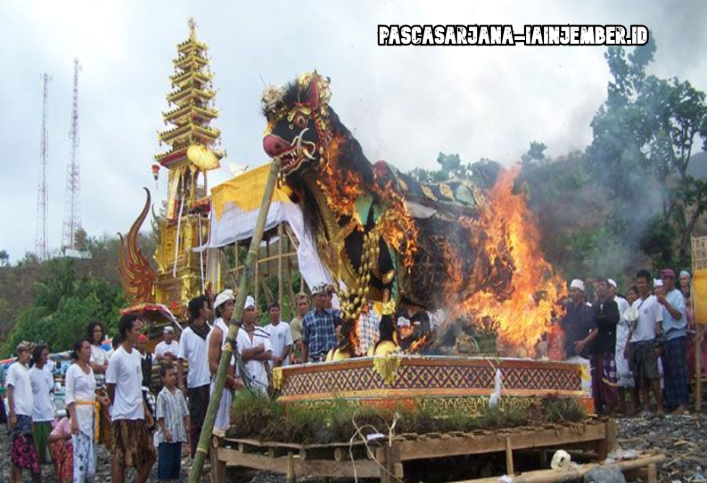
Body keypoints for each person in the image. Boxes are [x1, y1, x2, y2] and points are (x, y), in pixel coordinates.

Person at [106, 314, 156, 483]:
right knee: (120, 459)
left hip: (137, 414)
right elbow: (110, 386)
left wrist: (146, 411)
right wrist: (118, 404)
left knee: (149, 455)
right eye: (136, 330)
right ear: (127, 332)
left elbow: (137, 386)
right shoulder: (116, 357)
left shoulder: (136, 355)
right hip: (123, 415)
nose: (139, 333)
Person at [66, 339, 109, 483]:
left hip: (91, 416)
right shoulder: (73, 370)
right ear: (78, 352)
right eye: (86, 349)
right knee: (80, 458)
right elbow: (69, 396)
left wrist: (99, 399)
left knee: (91, 461)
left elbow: (90, 393)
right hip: (79, 416)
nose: (89, 351)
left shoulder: (90, 370)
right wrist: (73, 420)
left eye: (89, 349)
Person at [178, 295, 212, 458]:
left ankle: (210, 453)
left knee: (210, 419)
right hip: (195, 383)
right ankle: (196, 456)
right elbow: (180, 360)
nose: (208, 310)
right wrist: (181, 384)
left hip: (210, 382)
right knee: (196, 421)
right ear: (200, 310)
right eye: (206, 307)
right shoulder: (187, 333)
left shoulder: (211, 331)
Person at [626, 270, 664, 415]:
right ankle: (647, 407)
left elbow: (659, 325)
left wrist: (658, 344)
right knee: (640, 378)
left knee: (653, 376)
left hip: (649, 341)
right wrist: (628, 344)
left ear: (648, 284)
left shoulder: (655, 301)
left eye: (643, 282)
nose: (640, 285)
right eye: (638, 283)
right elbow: (631, 327)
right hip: (636, 342)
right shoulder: (634, 304)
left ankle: (659, 407)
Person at [7, 342, 42, 483]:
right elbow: (10, 390)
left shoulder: (26, 370)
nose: (28, 355)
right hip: (19, 414)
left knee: (27, 451)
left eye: (29, 352)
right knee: (19, 452)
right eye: (25, 352)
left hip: (27, 414)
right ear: (19, 354)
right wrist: (13, 413)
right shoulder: (14, 368)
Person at [208, 289, 243, 431]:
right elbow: (212, 365)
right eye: (229, 305)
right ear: (221, 309)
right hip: (221, 387)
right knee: (218, 428)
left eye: (233, 304)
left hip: (232, 386)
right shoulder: (217, 332)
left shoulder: (233, 330)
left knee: (230, 426)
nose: (233, 308)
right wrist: (232, 382)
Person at [658, 269, 688, 414]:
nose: (664, 281)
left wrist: (665, 302)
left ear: (672, 280)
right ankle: (672, 403)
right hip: (667, 337)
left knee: (678, 370)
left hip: (677, 335)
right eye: (663, 279)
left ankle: (682, 403)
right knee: (668, 371)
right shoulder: (665, 296)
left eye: (667, 279)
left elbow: (677, 315)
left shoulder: (677, 295)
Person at [590, 279, 620, 415]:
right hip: (596, 346)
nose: (600, 288)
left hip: (607, 345)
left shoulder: (612, 304)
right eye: (598, 285)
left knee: (608, 377)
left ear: (608, 289)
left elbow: (613, 320)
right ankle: (598, 405)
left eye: (603, 285)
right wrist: (600, 319)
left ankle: (611, 404)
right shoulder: (595, 306)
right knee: (596, 377)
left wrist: (600, 320)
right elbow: (591, 321)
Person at [155, 364, 189, 483]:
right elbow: (159, 417)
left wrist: (187, 426)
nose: (173, 377)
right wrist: (165, 431)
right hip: (167, 438)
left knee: (175, 465)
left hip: (178, 435)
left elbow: (185, 412)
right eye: (170, 375)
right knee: (166, 467)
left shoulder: (179, 394)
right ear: (163, 378)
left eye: (174, 375)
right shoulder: (162, 396)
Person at [238, 296, 273, 393]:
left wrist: (249, 355)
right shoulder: (238, 332)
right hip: (244, 384)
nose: (251, 313)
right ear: (243, 313)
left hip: (262, 381)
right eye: (248, 310)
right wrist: (258, 349)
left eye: (252, 310)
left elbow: (268, 355)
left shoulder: (261, 331)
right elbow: (241, 356)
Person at [29, 343, 55, 465]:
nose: (47, 357)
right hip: (36, 413)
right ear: (39, 356)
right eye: (45, 354)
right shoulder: (30, 374)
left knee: (52, 442)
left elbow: (51, 388)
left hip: (48, 411)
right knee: (39, 443)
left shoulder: (47, 372)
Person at [87, 321, 110, 447]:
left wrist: (101, 367)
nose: (98, 333)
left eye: (100, 331)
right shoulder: (89, 348)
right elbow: (92, 366)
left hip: (103, 386)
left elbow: (107, 365)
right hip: (93, 388)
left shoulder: (102, 351)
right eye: (95, 331)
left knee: (105, 418)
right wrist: (102, 367)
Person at [559, 279, 596, 359]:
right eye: (571, 291)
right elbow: (564, 330)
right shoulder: (568, 309)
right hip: (569, 351)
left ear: (581, 293)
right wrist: (562, 349)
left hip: (583, 352)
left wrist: (583, 343)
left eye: (575, 290)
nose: (572, 293)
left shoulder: (587, 310)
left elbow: (595, 330)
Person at [302, 284, 338, 362]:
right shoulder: (308, 317)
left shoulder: (332, 314)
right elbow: (305, 342)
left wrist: (337, 292)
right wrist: (303, 364)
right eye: (320, 296)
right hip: (314, 360)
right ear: (314, 298)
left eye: (325, 296)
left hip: (331, 358)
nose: (323, 298)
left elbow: (346, 316)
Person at [617, 286, 639, 414]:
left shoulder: (626, 304)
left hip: (628, 340)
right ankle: (623, 404)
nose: (630, 296)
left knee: (630, 374)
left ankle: (634, 404)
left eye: (632, 294)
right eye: (628, 294)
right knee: (619, 376)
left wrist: (627, 344)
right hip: (618, 342)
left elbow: (631, 326)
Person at [264, 302, 293, 368]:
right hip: (270, 365)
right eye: (272, 311)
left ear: (279, 312)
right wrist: (274, 359)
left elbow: (288, 345)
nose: (275, 313)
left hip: (284, 365)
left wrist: (280, 359)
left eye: (277, 310)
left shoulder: (285, 326)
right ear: (269, 313)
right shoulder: (265, 329)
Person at [48, 415, 73, 483]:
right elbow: (50, 438)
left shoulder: (85, 421)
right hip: (68, 449)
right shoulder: (65, 421)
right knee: (57, 444)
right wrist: (65, 436)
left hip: (79, 449)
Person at [290, 293, 310, 363]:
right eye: (300, 304)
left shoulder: (314, 319)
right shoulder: (294, 323)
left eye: (304, 304)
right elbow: (299, 344)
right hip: (301, 358)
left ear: (308, 305)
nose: (303, 306)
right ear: (296, 306)